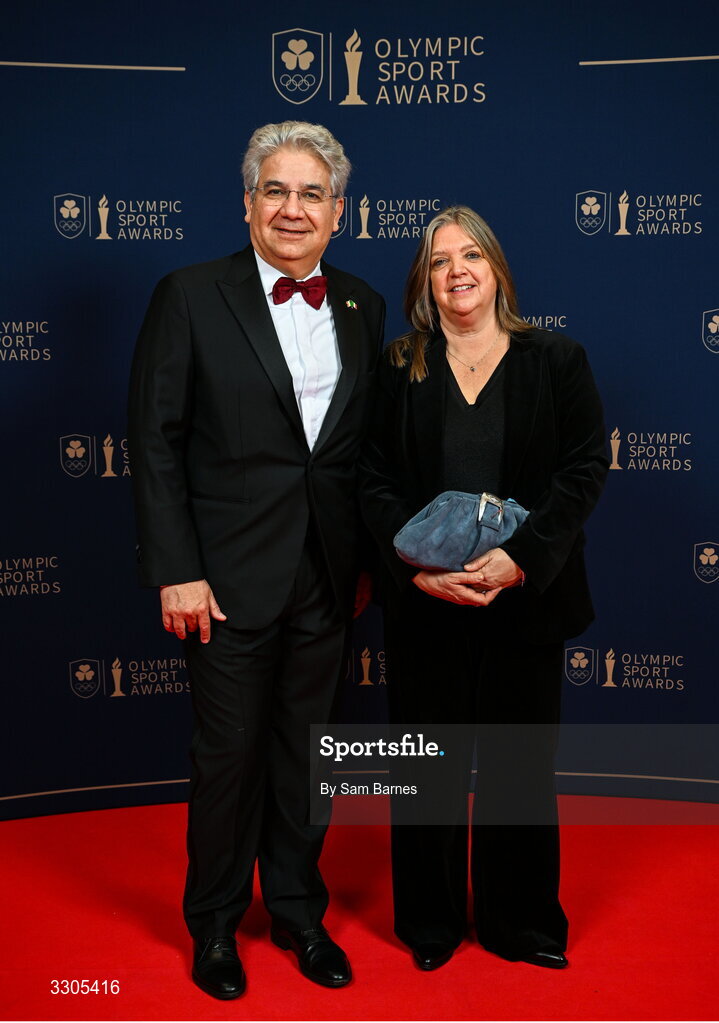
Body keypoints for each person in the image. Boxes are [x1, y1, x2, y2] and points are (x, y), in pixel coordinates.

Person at [127, 120, 385, 999]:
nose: (291, 207)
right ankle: (213, 926)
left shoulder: (362, 303)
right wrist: (176, 567)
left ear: (339, 212)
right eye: (274, 190)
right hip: (225, 580)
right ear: (246, 204)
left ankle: (299, 912)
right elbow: (154, 441)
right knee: (227, 758)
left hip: (326, 578)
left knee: (307, 755)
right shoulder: (190, 295)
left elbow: (353, 454)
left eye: (311, 193)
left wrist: (364, 564)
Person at [359, 205, 607, 971]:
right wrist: (418, 569)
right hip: (427, 602)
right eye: (439, 261)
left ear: (496, 268)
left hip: (523, 599)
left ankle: (521, 922)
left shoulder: (554, 360)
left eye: (470, 256)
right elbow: (370, 479)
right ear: (423, 282)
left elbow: (583, 469)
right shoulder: (401, 366)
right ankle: (430, 922)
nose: (456, 272)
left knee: (517, 768)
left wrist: (521, 557)